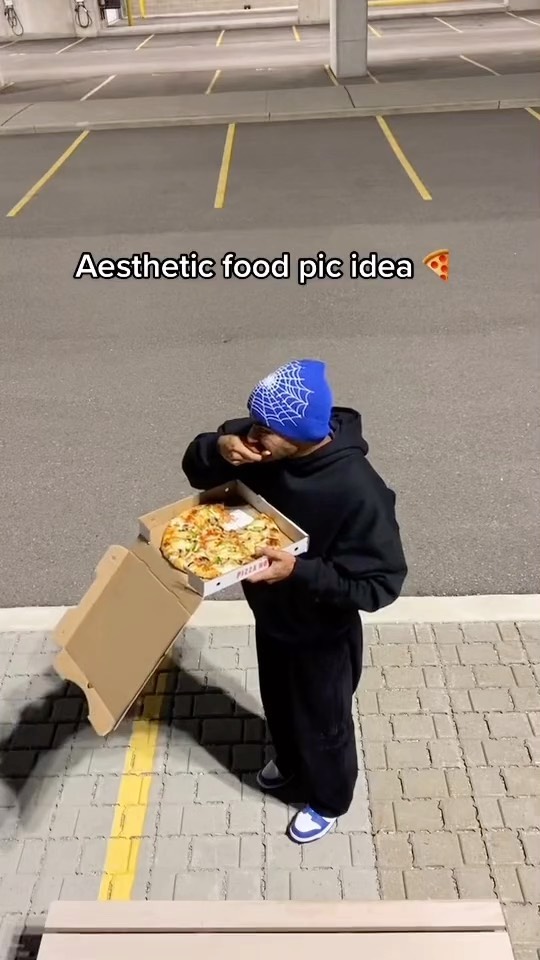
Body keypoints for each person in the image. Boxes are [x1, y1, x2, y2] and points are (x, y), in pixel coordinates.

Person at [182, 359, 407, 844]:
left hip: (322, 635)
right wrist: (217, 448)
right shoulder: (262, 442)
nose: (252, 436)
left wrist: (298, 571)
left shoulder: (358, 491)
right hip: (272, 617)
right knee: (280, 703)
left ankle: (328, 800)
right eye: (252, 423)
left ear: (302, 434)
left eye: (265, 430)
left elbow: (380, 584)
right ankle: (288, 760)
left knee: (325, 725)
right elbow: (196, 468)